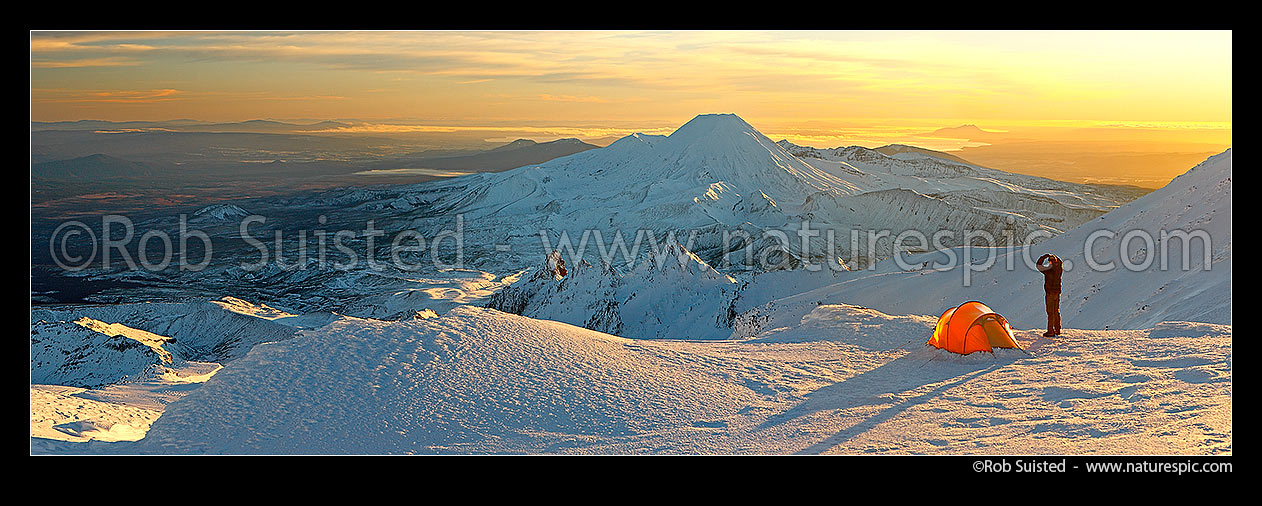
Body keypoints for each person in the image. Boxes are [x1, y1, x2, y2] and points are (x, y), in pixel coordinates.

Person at [1036, 253, 1062, 337]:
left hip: (1050, 293)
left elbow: (1038, 265)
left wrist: (1043, 257)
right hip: (1057, 293)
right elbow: (1060, 262)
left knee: (1050, 312)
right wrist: (1055, 257)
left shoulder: (1048, 271)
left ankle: (1050, 331)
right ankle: (1057, 330)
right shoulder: (1059, 269)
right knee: (1056, 310)